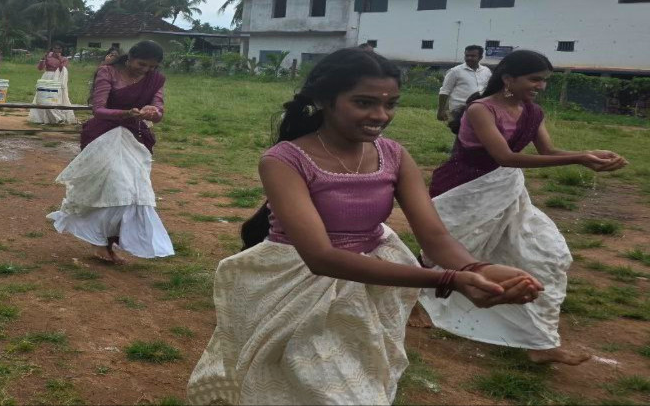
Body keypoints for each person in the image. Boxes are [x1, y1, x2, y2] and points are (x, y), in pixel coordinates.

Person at [188, 47, 542, 406]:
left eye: (391, 104)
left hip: (371, 289)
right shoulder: (284, 160)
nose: (380, 115)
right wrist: (449, 280)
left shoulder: (394, 155)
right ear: (325, 100)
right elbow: (321, 257)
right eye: (364, 103)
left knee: (361, 382)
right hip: (296, 287)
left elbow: (434, 236)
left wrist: (477, 268)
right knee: (312, 390)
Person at [418, 50, 627, 365]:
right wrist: (580, 159)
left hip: (506, 190)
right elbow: (505, 157)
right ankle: (413, 301)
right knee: (446, 253)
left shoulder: (532, 112)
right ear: (508, 79)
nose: (541, 86)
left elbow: (548, 150)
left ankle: (540, 343)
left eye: (544, 80)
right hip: (464, 191)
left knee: (547, 255)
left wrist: (587, 152)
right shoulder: (481, 110)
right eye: (535, 79)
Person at [48, 40, 174, 264]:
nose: (144, 70)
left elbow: (159, 109)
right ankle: (101, 243)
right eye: (141, 64)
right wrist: (125, 113)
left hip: (134, 138)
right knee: (112, 190)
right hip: (103, 136)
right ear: (130, 56)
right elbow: (99, 109)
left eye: (150, 67)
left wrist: (152, 112)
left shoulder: (156, 79)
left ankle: (107, 243)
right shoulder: (108, 72)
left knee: (134, 195)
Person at [437, 45, 492, 125]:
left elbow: (489, 89)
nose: (469, 58)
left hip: (480, 109)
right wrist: (441, 111)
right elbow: (444, 91)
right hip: (459, 110)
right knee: (461, 134)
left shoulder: (486, 71)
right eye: (467, 55)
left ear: (480, 57)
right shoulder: (455, 71)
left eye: (473, 56)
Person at [29, 43, 76, 125]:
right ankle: (41, 117)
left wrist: (59, 58)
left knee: (54, 97)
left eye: (59, 48)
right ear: (52, 49)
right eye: (55, 48)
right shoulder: (48, 57)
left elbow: (63, 69)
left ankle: (57, 117)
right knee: (43, 96)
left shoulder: (64, 59)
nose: (57, 50)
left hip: (57, 79)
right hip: (46, 77)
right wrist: (42, 59)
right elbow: (40, 68)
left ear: (62, 50)